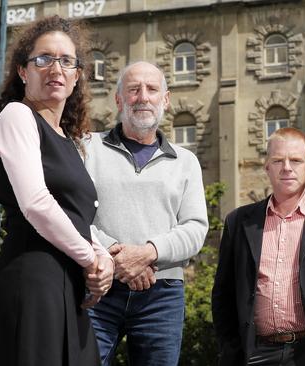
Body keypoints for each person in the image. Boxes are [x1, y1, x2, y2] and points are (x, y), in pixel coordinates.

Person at [0, 16, 114, 365]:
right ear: (23, 71)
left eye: (66, 61)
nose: (56, 68)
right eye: (43, 59)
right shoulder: (17, 116)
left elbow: (74, 215)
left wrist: (105, 258)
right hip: (33, 281)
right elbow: (36, 203)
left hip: (69, 286)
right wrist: (91, 258)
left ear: (77, 75)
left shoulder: (69, 141)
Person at [83, 61, 209, 366]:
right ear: (118, 100)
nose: (143, 97)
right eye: (133, 89)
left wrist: (148, 253)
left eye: (152, 89)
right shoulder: (87, 148)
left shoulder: (186, 161)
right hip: (97, 287)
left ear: (165, 99)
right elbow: (74, 214)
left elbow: (195, 228)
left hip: (161, 295)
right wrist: (117, 257)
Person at [212, 127, 305, 366]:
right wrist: (230, 348)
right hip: (256, 354)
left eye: (296, 160)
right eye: (278, 160)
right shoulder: (239, 221)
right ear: (266, 166)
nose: (287, 167)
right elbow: (223, 294)